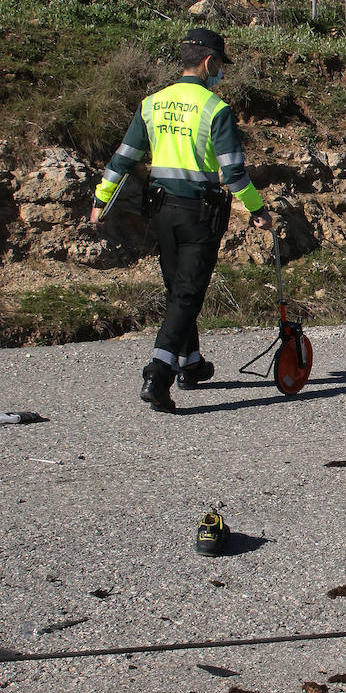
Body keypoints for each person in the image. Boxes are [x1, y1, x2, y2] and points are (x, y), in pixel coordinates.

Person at [89, 28, 273, 412]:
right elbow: (234, 174)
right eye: (220, 65)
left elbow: (124, 158)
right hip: (199, 215)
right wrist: (257, 210)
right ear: (209, 62)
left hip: (159, 210)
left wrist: (100, 199)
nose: (220, 72)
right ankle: (158, 372)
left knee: (177, 288)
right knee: (188, 292)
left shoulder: (151, 103)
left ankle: (191, 363)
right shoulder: (215, 109)